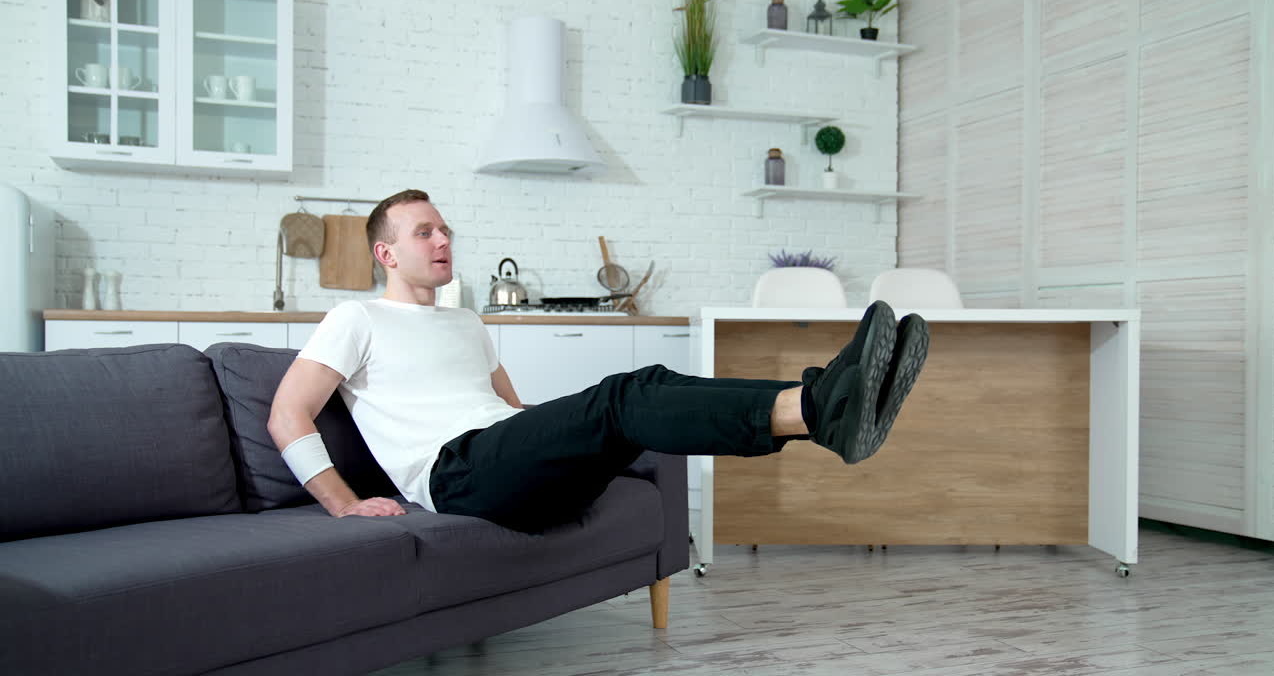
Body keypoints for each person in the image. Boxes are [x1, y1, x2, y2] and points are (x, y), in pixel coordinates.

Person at [268, 189, 929, 533]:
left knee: (644, 399)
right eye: (424, 232)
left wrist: (564, 430)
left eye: (445, 229)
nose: (443, 239)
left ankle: (827, 406)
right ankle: (821, 407)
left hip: (503, 456)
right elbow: (288, 414)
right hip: (457, 476)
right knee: (627, 394)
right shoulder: (356, 319)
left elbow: (514, 413)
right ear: (385, 254)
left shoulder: (467, 321)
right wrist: (344, 505)